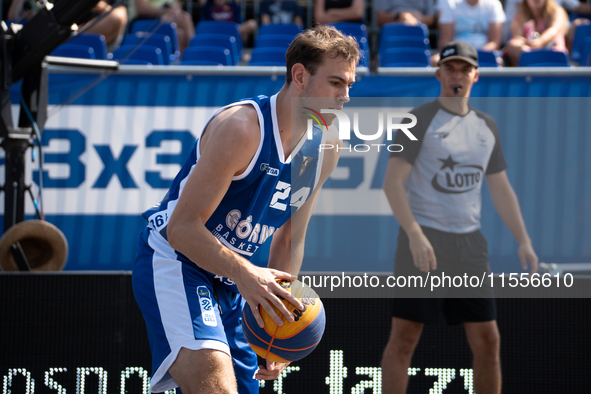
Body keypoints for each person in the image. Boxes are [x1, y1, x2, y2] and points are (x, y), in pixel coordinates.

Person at [132, 25, 358, 394]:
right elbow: (183, 228)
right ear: (300, 76)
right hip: (177, 260)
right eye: (335, 83)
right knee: (215, 386)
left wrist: (278, 319)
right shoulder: (242, 128)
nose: (345, 96)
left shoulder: (325, 149)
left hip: (234, 277)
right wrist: (247, 275)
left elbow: (289, 238)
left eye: (350, 85)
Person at [380, 41, 538, 394]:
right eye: (450, 68)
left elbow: (501, 189)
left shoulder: (486, 126)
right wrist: (414, 234)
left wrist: (524, 240)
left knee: (488, 341)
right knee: (404, 339)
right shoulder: (417, 119)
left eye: (465, 69)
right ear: (438, 74)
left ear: (476, 76)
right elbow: (392, 184)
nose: (458, 75)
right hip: (422, 245)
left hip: (470, 246)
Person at [434, 0, 505, 64]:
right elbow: (446, 41)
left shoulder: (494, 4)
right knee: (435, 60)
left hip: (484, 55)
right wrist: (462, 54)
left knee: (499, 62)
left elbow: (495, 42)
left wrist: (475, 55)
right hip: (455, 54)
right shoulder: (450, 4)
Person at [504, 0, 569, 66]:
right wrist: (528, 45)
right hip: (527, 50)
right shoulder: (520, 13)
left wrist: (540, 41)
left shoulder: (556, 11)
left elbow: (554, 30)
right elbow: (517, 37)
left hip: (553, 52)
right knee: (513, 45)